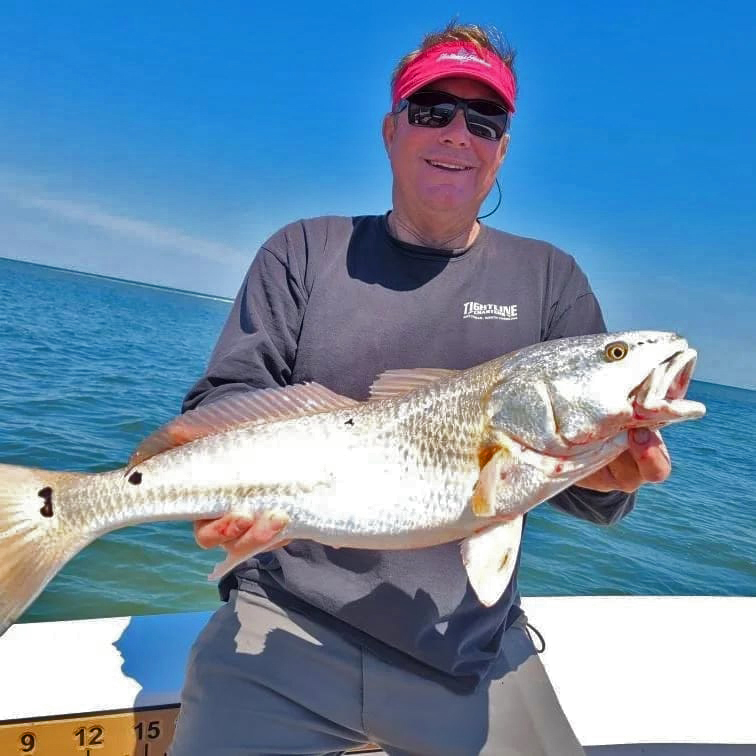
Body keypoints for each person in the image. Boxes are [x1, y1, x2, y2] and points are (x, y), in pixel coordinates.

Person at [169, 22, 671, 756]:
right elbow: (223, 400)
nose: (456, 134)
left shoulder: (550, 282)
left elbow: (584, 487)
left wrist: (612, 472)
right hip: (281, 627)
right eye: (432, 109)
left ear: (502, 148)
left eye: (483, 119)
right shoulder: (304, 251)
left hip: (470, 651)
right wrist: (222, 488)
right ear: (391, 129)